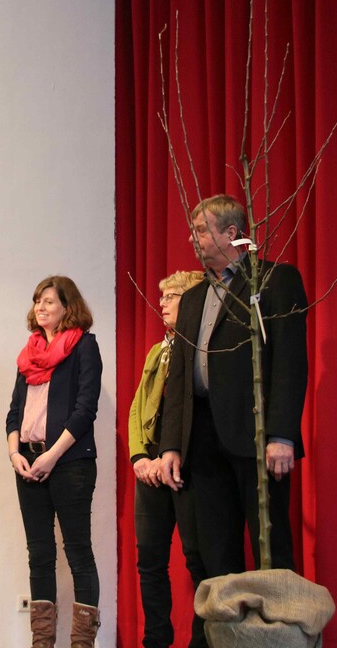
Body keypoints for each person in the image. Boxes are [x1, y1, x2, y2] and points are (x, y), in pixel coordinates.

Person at [159, 194, 308, 578]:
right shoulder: (193, 298)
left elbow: (289, 362)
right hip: (203, 439)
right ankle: (227, 620)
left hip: (255, 434)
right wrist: (172, 444)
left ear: (230, 233)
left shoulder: (273, 281)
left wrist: (281, 435)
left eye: (200, 230)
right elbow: (179, 376)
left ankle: (275, 619)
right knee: (216, 555)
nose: (192, 239)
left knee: (270, 552)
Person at [6, 276, 102, 648]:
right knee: (40, 555)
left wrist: (52, 455)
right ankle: (42, 642)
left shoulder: (84, 347)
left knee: (78, 552)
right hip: (28, 463)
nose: (40, 307)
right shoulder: (28, 355)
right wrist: (15, 453)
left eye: (48, 301)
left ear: (67, 306)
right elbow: (14, 413)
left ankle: (82, 643)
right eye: (37, 301)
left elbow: (85, 410)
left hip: (70, 462)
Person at [128, 270, 207, 648]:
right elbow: (137, 408)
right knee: (150, 561)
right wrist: (139, 457)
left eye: (171, 296)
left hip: (185, 467)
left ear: (191, 301)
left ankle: (203, 641)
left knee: (197, 559)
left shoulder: (200, 350)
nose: (162, 303)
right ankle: (156, 639)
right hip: (150, 470)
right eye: (162, 297)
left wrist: (168, 456)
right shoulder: (157, 351)